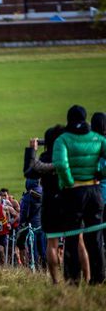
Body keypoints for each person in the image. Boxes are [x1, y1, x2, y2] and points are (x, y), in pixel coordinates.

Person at [53, 105, 106, 285]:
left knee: (72, 236)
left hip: (73, 192)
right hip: (94, 190)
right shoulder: (98, 138)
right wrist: (100, 174)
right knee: (95, 236)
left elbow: (60, 164)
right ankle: (98, 278)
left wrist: (68, 182)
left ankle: (73, 279)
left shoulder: (63, 140)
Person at [25, 125, 72, 284]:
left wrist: (32, 150)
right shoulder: (69, 156)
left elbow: (30, 172)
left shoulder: (45, 157)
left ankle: (55, 281)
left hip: (50, 202)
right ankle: (80, 277)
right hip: (69, 202)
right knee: (77, 239)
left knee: (51, 244)